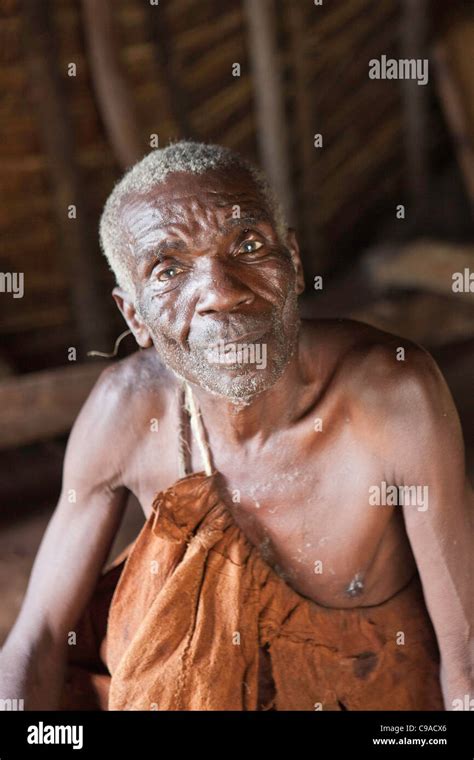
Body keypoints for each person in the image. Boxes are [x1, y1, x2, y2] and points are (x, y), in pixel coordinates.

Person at [1, 141, 472, 710]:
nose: (222, 292)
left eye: (247, 244)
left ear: (293, 264)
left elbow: (464, 652)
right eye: (168, 268)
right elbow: (40, 639)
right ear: (135, 317)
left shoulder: (395, 397)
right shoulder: (126, 412)